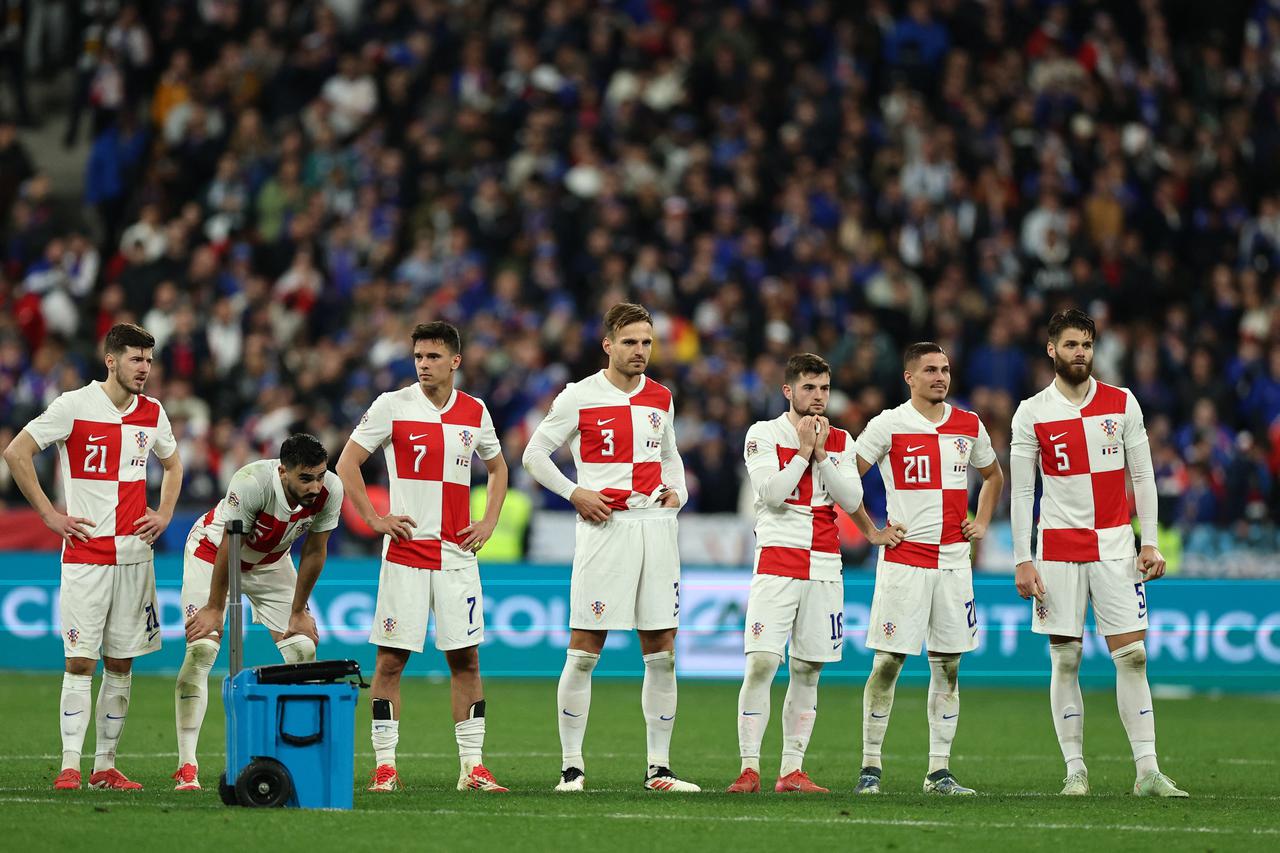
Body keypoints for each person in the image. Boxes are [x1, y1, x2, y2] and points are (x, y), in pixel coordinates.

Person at [522, 302, 698, 793]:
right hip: (606, 529)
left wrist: (677, 494)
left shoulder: (662, 397)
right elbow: (534, 455)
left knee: (661, 649)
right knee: (584, 650)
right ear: (608, 345)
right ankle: (571, 768)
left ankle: (658, 770)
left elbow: (671, 455)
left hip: (656, 529)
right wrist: (574, 492)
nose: (640, 351)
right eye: (630, 342)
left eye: (646, 342)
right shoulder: (578, 397)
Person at [1010, 309, 1187, 798]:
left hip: (1114, 548)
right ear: (1052, 350)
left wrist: (1147, 540)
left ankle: (1147, 771)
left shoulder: (1122, 402)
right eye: (1070, 344)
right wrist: (1022, 557)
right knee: (1066, 660)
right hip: (1058, 550)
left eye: (1086, 344)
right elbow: (1023, 493)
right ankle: (1075, 770)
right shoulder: (1032, 412)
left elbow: (1144, 476)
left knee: (1132, 656)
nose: (1080, 353)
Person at [2, 322, 182, 791]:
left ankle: (104, 766)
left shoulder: (153, 412)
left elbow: (174, 463)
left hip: (135, 558)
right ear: (111, 360)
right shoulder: (74, 405)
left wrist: (163, 512)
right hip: (85, 557)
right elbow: (16, 452)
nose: (144, 368)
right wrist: (48, 514)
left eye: (148, 360)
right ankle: (69, 766)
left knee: (121, 663)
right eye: (135, 359)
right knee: (80, 661)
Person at [336, 321, 509, 794]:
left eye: (433, 357)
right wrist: (374, 518)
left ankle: (472, 769)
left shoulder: (474, 411)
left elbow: (497, 468)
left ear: (455, 361)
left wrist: (489, 521)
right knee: (390, 663)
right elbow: (346, 463)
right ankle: (386, 767)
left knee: (466, 662)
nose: (423, 364)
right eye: (418, 356)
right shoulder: (391, 406)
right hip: (407, 554)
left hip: (457, 554)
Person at [849, 342, 1003, 796]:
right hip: (905, 560)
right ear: (909, 378)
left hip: (954, 562)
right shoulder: (888, 425)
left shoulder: (967, 424)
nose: (940, 377)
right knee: (889, 663)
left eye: (946, 369)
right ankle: (870, 767)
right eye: (931, 370)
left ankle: (938, 771)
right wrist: (873, 530)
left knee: (949, 666)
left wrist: (983, 521)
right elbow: (844, 478)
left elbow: (993, 475)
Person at [726, 353, 864, 795]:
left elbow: (849, 496)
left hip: (825, 564)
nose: (818, 396)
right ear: (789, 390)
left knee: (808, 669)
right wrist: (804, 451)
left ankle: (791, 771)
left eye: (824, 388)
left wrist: (822, 452)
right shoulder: (763, 433)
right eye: (809, 388)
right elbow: (772, 494)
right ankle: (749, 768)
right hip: (778, 560)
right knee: (764, 661)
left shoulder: (842, 440)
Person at [177, 433, 344, 791]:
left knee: (303, 651)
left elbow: (315, 550)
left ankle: (294, 753)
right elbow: (228, 545)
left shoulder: (331, 489)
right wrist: (213, 607)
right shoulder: (251, 482)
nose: (315, 486)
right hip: (213, 554)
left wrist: (298, 611)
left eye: (319, 475)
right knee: (203, 649)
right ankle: (186, 764)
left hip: (271, 563)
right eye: (306, 478)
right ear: (283, 471)